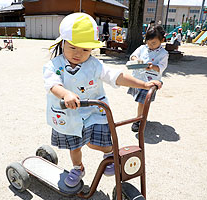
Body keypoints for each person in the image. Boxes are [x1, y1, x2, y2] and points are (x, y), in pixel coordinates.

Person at [43, 13, 162, 188]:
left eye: (85, 49)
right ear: (63, 43)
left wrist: (144, 84)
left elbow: (116, 76)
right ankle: (78, 167)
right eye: (73, 47)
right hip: (69, 114)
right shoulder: (54, 65)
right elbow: (53, 84)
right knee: (75, 148)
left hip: (94, 112)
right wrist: (65, 94)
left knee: (99, 141)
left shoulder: (94, 64)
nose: (78, 53)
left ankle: (108, 156)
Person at [127, 25, 168, 132]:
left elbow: (162, 67)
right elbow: (133, 56)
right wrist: (136, 59)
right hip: (139, 78)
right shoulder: (142, 48)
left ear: (162, 40)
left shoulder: (163, 53)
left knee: (143, 102)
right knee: (141, 101)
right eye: (148, 43)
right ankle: (141, 117)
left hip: (151, 81)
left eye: (154, 43)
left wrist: (152, 67)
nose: (150, 45)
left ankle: (139, 120)